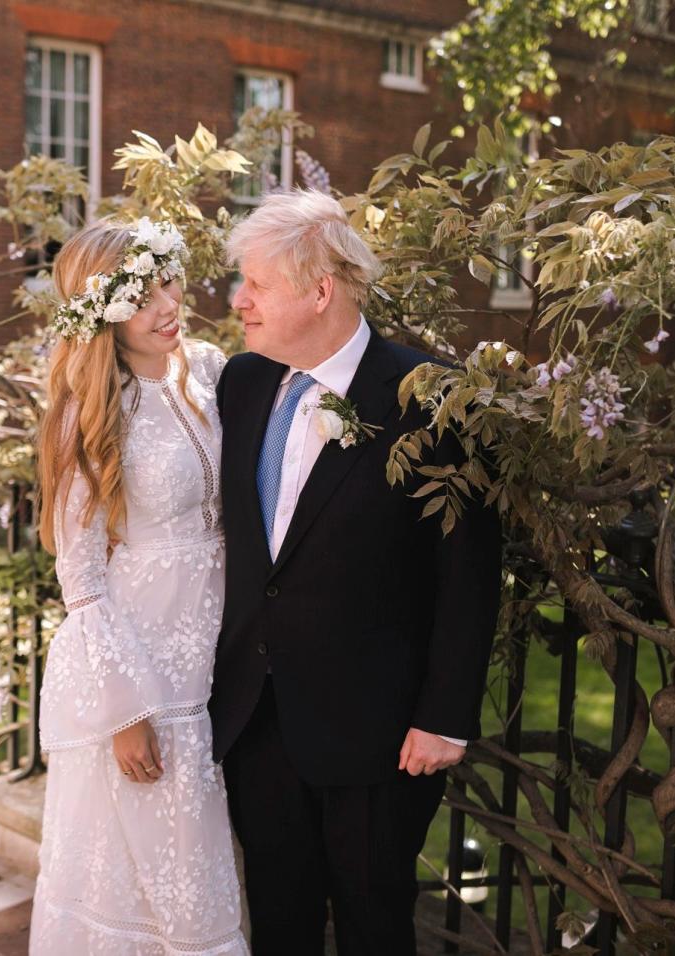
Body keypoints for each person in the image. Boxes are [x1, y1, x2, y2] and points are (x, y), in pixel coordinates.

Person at [209, 189, 503, 955]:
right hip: (256, 720)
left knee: (375, 927)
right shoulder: (241, 384)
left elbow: (468, 573)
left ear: (320, 291)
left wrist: (445, 716)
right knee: (279, 922)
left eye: (255, 285)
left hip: (379, 735)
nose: (239, 302)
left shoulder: (433, 400)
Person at [29, 218, 247, 955]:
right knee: (160, 869)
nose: (166, 303)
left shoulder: (211, 369)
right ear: (102, 312)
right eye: (141, 293)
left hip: (226, 642)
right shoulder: (90, 413)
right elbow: (82, 578)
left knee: (213, 853)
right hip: (145, 665)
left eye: (168, 279)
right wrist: (125, 710)